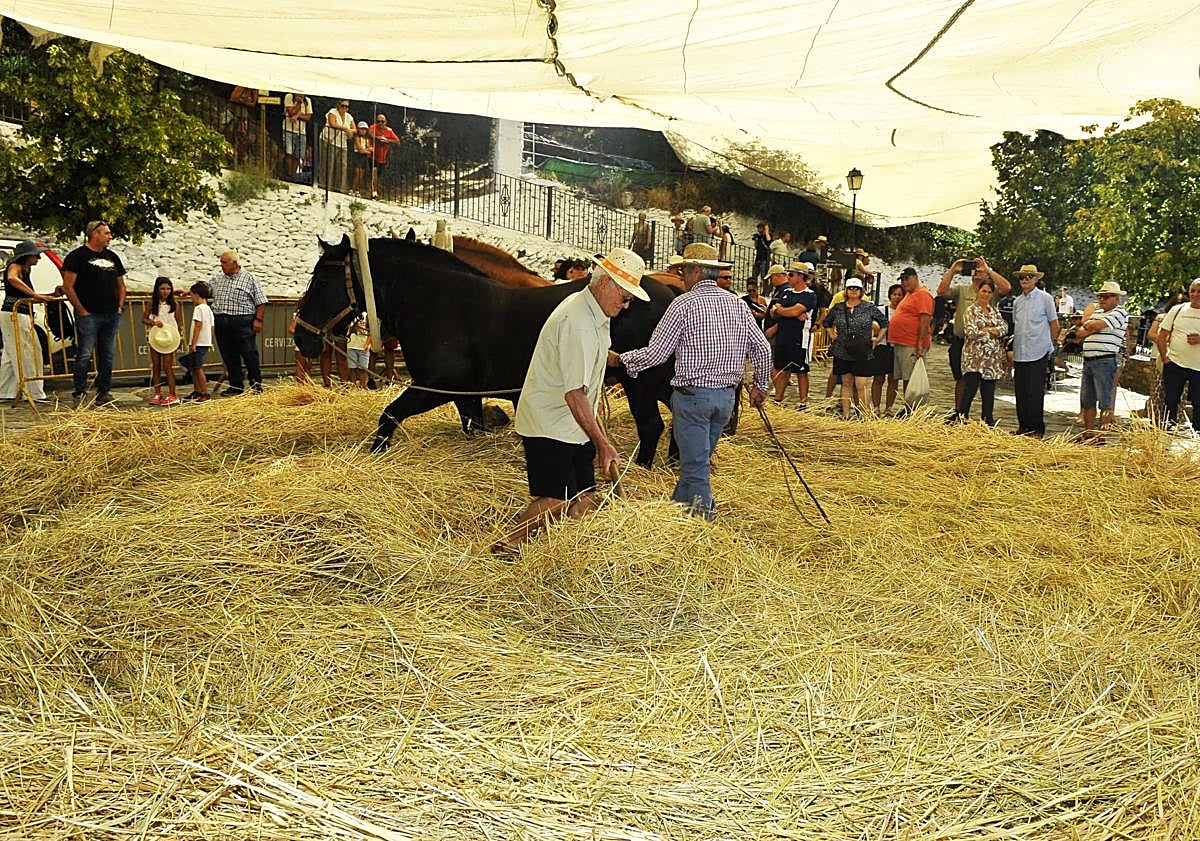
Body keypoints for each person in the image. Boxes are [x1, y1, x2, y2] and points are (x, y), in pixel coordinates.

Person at [494, 247, 648, 553]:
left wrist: (621, 363)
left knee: (585, 496)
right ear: (606, 284)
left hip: (574, 422)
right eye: (625, 297)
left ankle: (571, 555)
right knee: (557, 498)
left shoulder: (597, 311)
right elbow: (573, 393)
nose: (627, 305)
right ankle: (508, 544)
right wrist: (604, 443)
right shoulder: (577, 320)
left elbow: (594, 355)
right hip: (550, 422)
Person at [614, 242, 770, 520]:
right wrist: (761, 385)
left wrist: (621, 360)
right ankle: (677, 513)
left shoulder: (683, 304)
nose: (682, 277)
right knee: (694, 463)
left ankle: (703, 527)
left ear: (696, 271)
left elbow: (657, 354)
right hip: (725, 399)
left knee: (697, 468)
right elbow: (762, 348)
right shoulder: (737, 303)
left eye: (684, 270)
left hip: (693, 398)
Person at [62, 220, 126, 407]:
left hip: (111, 313)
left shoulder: (112, 257)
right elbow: (68, 286)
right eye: (106, 233)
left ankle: (104, 391)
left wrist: (120, 305)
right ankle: (80, 391)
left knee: (107, 354)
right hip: (89, 314)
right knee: (84, 354)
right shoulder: (77, 257)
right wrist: (81, 309)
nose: (110, 237)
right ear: (95, 234)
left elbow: (121, 284)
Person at [937, 257, 1012, 410]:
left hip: (985, 347)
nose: (977, 271)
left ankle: (982, 416)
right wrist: (953, 269)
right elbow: (942, 291)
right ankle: (959, 412)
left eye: (980, 269)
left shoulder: (991, 292)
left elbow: (1007, 288)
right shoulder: (962, 289)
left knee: (985, 383)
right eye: (975, 269)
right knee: (961, 379)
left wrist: (989, 270)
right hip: (963, 340)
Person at [1070, 280, 1129, 440]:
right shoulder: (1098, 312)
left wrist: (1090, 325)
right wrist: (1092, 326)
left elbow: (1092, 325)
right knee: (1087, 399)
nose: (1102, 299)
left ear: (1116, 298)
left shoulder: (1120, 312)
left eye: (1106, 296)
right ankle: (1088, 434)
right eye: (1100, 297)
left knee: (1105, 400)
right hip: (1089, 359)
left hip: (1105, 360)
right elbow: (1081, 332)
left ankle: (1101, 435)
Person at [0, 240, 56, 403]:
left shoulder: (24, 269)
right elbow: (12, 278)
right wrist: (35, 295)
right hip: (15, 313)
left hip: (15, 312)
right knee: (29, 352)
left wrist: (50, 295)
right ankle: (34, 393)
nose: (38, 258)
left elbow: (26, 294)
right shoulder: (15, 266)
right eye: (36, 255)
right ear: (27, 256)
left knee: (12, 354)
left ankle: (5, 391)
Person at [822, 277, 885, 418]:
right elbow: (826, 322)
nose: (853, 291)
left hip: (862, 350)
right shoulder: (838, 308)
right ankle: (846, 414)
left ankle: (864, 414)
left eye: (856, 288)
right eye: (850, 288)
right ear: (846, 290)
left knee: (861, 384)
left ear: (861, 291)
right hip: (843, 349)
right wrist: (832, 334)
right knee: (846, 383)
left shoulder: (869, 307)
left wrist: (877, 340)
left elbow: (884, 322)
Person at [1010, 264, 1060, 437]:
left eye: (1029, 277)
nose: (1025, 280)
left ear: (1036, 279)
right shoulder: (1017, 302)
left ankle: (1036, 428)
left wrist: (1049, 345)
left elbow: (1054, 324)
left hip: (1038, 350)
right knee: (1021, 391)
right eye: (1022, 277)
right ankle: (1023, 426)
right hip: (1020, 351)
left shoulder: (1045, 299)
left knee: (1035, 391)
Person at [209, 249, 267, 395]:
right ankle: (236, 386)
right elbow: (205, 290)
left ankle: (256, 385)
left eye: (224, 262)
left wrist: (258, 320)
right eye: (221, 262)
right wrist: (188, 291)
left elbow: (261, 302)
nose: (221, 265)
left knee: (249, 353)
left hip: (243, 321)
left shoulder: (250, 278)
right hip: (222, 321)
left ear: (234, 263)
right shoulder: (217, 278)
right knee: (229, 355)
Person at [955, 278, 1008, 425]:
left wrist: (987, 330)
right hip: (974, 358)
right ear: (978, 291)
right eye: (983, 291)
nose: (986, 294)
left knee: (988, 392)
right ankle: (961, 418)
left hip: (991, 360)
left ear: (992, 294)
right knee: (970, 389)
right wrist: (992, 332)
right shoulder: (970, 310)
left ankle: (987, 422)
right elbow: (971, 332)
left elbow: (1004, 328)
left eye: (989, 292)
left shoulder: (995, 311)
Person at [769, 261, 817, 407]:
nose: (788, 277)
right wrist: (788, 312)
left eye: (791, 274)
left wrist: (784, 311)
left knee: (801, 370)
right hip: (783, 336)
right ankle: (778, 399)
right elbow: (774, 311)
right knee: (782, 369)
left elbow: (794, 310)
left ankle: (803, 402)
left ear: (801, 277)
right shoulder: (786, 292)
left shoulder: (809, 295)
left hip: (799, 338)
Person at [1156, 277, 1200, 432]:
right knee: (1170, 401)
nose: (1195, 294)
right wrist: (1165, 358)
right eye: (1192, 290)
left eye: (1199, 291)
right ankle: (1166, 434)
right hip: (1175, 364)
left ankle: (1196, 441)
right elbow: (1162, 336)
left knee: (1198, 404)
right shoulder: (1177, 310)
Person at [888, 267, 934, 411]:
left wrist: (920, 343)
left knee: (911, 378)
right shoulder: (909, 294)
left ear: (915, 277)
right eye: (902, 280)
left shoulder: (923, 294)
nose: (904, 282)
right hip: (902, 342)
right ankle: (908, 406)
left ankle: (912, 409)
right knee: (905, 377)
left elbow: (925, 318)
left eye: (907, 279)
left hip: (911, 343)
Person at [143, 276, 184, 406]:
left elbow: (179, 322)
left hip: (169, 338)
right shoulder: (152, 304)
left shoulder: (174, 305)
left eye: (168, 289)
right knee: (156, 366)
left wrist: (180, 337)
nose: (165, 291)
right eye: (162, 289)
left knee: (168, 366)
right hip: (156, 337)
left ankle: (172, 393)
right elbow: (144, 319)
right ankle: (157, 393)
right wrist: (154, 322)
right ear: (157, 289)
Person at [871, 283, 903, 414]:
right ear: (890, 296)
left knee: (893, 379)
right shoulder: (880, 310)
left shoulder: (904, 312)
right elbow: (871, 322)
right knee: (878, 378)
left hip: (897, 347)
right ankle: (876, 407)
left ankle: (889, 407)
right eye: (894, 294)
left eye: (900, 294)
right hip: (882, 346)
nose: (897, 297)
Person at [180, 281, 214, 401]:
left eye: (192, 295)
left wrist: (193, 343)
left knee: (197, 367)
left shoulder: (198, 309)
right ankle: (197, 391)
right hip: (205, 341)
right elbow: (212, 327)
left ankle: (204, 392)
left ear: (197, 295)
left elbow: (198, 326)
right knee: (194, 367)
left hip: (198, 342)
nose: (191, 298)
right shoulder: (208, 309)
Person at [319, 99, 355, 192]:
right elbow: (332, 123)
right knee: (328, 164)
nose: (344, 108)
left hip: (342, 143)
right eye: (343, 105)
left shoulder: (349, 116)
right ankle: (326, 185)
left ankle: (340, 188)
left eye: (346, 106)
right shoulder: (332, 112)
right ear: (338, 105)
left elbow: (354, 128)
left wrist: (350, 131)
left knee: (342, 166)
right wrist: (346, 128)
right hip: (329, 140)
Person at [367, 112, 401, 199]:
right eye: (378, 121)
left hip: (383, 156)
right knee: (373, 172)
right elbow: (369, 134)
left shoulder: (389, 130)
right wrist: (377, 138)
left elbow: (397, 141)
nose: (380, 123)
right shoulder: (373, 127)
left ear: (386, 122)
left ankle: (376, 190)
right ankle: (373, 192)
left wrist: (387, 140)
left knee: (378, 175)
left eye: (382, 121)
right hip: (373, 155)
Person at [281, 93, 312, 176]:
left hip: (301, 131)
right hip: (289, 129)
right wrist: (299, 103)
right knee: (289, 152)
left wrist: (297, 116)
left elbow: (308, 117)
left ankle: (293, 174)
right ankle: (289, 173)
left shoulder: (308, 101)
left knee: (298, 154)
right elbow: (291, 112)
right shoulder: (289, 97)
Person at [346, 312, 371, 388]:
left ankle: (363, 385)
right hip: (351, 346)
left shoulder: (368, 315)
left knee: (363, 368)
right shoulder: (350, 314)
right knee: (352, 367)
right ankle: (353, 385)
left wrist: (368, 344)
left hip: (363, 347)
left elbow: (372, 332)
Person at [350, 121, 373, 195]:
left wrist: (366, 150)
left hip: (364, 157)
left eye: (365, 129)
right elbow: (360, 149)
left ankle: (357, 190)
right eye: (361, 129)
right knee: (357, 174)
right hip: (358, 156)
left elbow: (370, 149)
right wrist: (366, 150)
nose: (363, 131)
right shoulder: (356, 137)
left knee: (361, 175)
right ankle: (352, 189)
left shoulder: (367, 139)